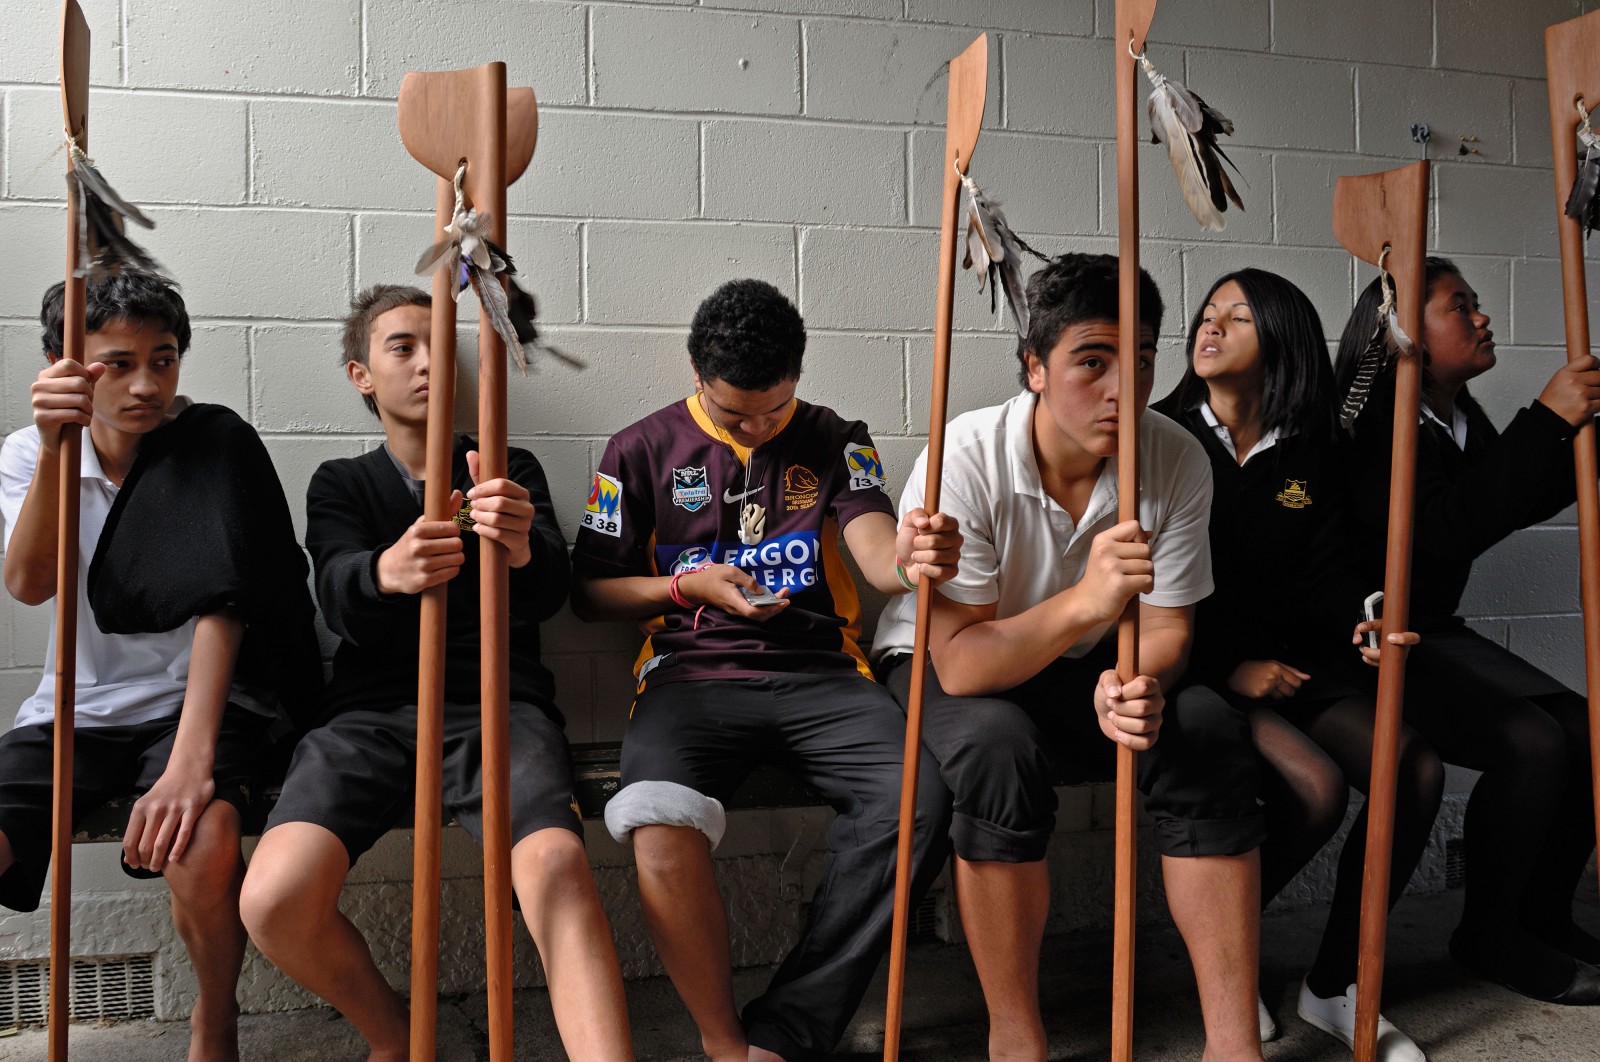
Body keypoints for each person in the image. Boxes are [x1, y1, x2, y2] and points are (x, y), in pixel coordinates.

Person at [875, 252, 1267, 1062]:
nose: (1124, 389)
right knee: (994, 748)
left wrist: (1137, 682)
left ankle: (1233, 1045)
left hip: (1089, 668)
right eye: (1093, 362)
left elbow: (1167, 630)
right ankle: (1016, 1038)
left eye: (1145, 362)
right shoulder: (967, 459)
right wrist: (1088, 601)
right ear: (1035, 369)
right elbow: (963, 664)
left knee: (1203, 726)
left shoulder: (1174, 457)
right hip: (951, 661)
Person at [238, 284, 634, 1061]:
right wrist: (387, 569)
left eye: (438, 347)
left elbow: (553, 589)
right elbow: (336, 591)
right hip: (367, 716)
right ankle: (398, 1040)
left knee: (555, 866)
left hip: (498, 706)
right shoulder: (341, 483)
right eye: (402, 347)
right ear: (361, 374)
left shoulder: (504, 465)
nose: (427, 363)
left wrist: (519, 547)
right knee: (275, 897)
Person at [570, 278, 961, 1062]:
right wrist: (689, 586)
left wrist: (914, 557)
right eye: (733, 413)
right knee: (653, 814)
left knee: (917, 800)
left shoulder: (836, 436)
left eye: (773, 411)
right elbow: (588, 592)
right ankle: (725, 1045)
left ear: (798, 377)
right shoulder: (638, 448)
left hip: (823, 673)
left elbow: (878, 553)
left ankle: (788, 1030)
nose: (756, 426)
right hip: (691, 674)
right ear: (695, 375)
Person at [0, 271, 320, 1062]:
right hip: (77, 706)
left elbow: (224, 607)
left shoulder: (208, 444)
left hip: (199, 703)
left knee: (204, 847)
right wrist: (52, 447)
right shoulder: (25, 454)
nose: (146, 383)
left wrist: (189, 763)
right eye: (118, 362)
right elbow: (30, 583)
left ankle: (215, 1015)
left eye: (165, 358)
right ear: (62, 364)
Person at [1155, 268, 1435, 1060]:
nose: (1210, 327)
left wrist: (1366, 616)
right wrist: (1230, 668)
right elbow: (1143, 595)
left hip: (1289, 668)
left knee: (1411, 766)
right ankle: (1226, 965)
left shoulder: (1313, 453)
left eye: (1236, 318)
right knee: (1314, 790)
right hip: (1197, 671)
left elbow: (1330, 574)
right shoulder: (1161, 436)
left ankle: (1337, 983)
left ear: (1280, 339)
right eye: (1208, 315)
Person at [1334, 257, 1600, 1005]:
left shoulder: (1448, 416)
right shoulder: (1379, 421)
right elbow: (1446, 529)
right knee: (1535, 742)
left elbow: (1504, 496)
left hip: (1435, 631)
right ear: (1402, 333)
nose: (1482, 317)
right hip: (1371, 641)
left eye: (1477, 304)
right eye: (1462, 306)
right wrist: (1547, 418)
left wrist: (1582, 435)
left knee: (1584, 728)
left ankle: (1540, 916)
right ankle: (1488, 934)